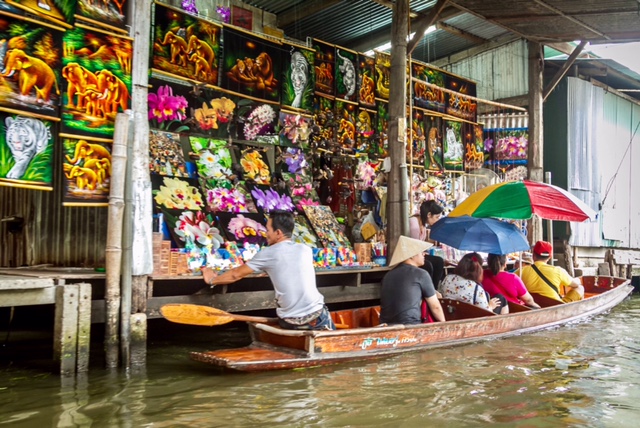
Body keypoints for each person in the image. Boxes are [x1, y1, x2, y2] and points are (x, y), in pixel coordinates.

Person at [202, 210, 335, 330]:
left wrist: (212, 280)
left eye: (268, 230)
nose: (265, 234)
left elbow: (235, 275)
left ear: (278, 233)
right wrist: (271, 269)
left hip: (290, 321)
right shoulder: (305, 249)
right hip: (317, 314)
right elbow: (292, 267)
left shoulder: (268, 253)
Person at [380, 236, 446, 325]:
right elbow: (435, 307)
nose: (424, 254)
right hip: (410, 325)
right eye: (421, 252)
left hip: (386, 326)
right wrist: (445, 325)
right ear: (411, 255)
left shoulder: (388, 275)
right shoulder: (421, 274)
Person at [440, 252, 508, 314]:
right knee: (501, 298)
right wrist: (490, 306)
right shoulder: (476, 288)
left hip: (450, 314)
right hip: (471, 321)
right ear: (478, 269)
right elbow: (486, 314)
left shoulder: (447, 279)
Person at [517, 241, 584, 303]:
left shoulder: (521, 271)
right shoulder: (558, 271)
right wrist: (578, 280)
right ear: (550, 257)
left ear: (533, 255)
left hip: (531, 306)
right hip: (556, 306)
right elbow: (576, 284)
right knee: (580, 288)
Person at [409, 200, 445, 287]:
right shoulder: (414, 224)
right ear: (429, 215)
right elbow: (414, 246)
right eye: (437, 217)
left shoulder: (423, 224)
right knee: (428, 265)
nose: (437, 220)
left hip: (417, 253)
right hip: (410, 256)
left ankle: (433, 290)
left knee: (439, 261)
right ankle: (427, 292)